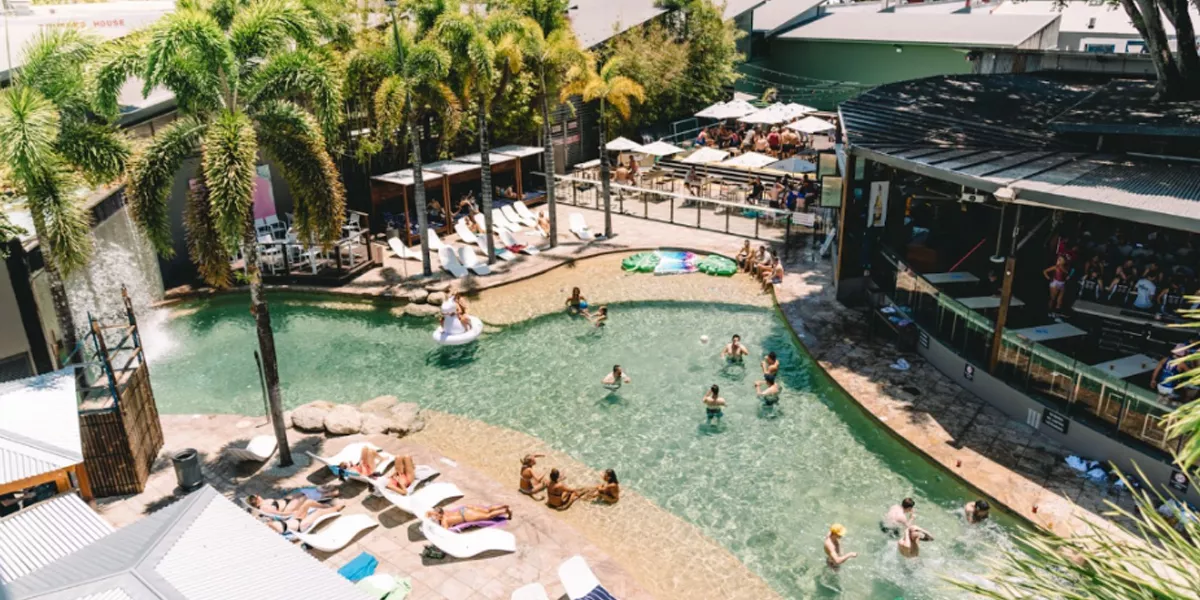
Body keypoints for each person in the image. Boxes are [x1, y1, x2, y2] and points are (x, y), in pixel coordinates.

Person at [262, 503, 344, 536]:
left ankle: (327, 506)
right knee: (319, 512)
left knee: (307, 503)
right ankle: (337, 508)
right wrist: (269, 522)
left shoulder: (269, 524)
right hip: (301, 525)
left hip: (295, 519)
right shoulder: (272, 530)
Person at [427, 504, 512, 528]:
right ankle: (503, 506)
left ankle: (505, 511)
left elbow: (444, 533)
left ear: (439, 515)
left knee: (488, 516)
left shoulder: (444, 521)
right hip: (464, 509)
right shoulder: (444, 512)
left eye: (436, 516)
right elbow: (429, 512)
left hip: (466, 515)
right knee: (487, 510)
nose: (435, 517)